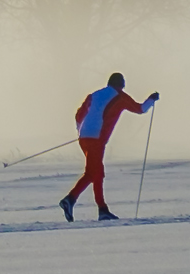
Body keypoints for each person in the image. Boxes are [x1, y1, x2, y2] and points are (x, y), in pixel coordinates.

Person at [58, 72, 158, 222]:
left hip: (84, 137)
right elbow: (140, 109)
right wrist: (152, 99)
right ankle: (80, 202)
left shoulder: (94, 95)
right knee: (95, 173)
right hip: (97, 139)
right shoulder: (120, 97)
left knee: (94, 172)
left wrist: (81, 131)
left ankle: (87, 205)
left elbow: (79, 115)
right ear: (121, 85)